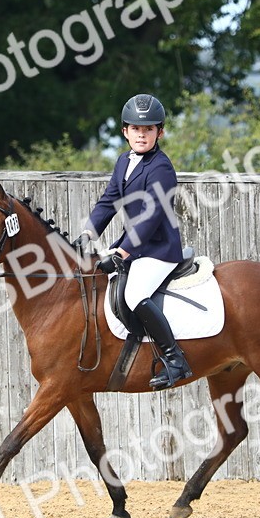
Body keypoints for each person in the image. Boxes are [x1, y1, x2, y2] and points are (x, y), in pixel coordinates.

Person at [78, 93, 192, 390]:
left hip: (158, 249)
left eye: (149, 129)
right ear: (125, 131)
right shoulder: (123, 161)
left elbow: (150, 218)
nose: (142, 134)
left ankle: (175, 359)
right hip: (134, 246)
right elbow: (109, 200)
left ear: (159, 133)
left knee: (134, 294)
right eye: (136, 129)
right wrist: (89, 233)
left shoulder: (161, 167)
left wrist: (122, 251)